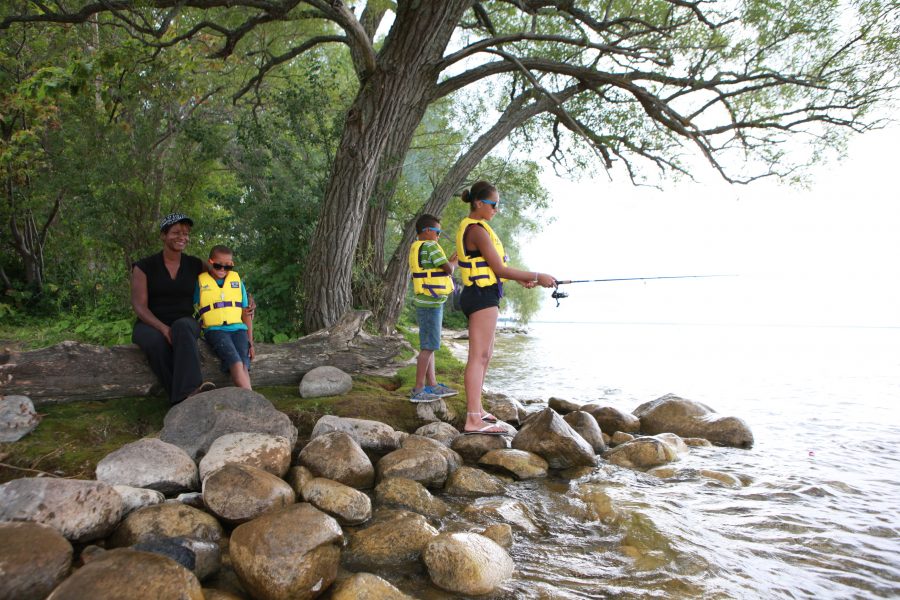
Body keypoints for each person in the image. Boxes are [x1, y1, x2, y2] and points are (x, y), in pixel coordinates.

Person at [456, 181, 557, 434]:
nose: (496, 209)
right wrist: (537, 274)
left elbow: (494, 270)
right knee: (477, 357)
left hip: (483, 294)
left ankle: (477, 411)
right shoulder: (477, 230)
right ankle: (472, 419)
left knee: (485, 356)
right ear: (479, 203)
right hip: (480, 296)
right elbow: (499, 269)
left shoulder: (479, 228)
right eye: (494, 204)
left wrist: (523, 278)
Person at [131, 213, 214, 405]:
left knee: (183, 328)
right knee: (155, 342)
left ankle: (187, 394)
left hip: (185, 320)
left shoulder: (195, 264)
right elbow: (139, 306)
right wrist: (162, 328)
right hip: (149, 322)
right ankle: (183, 400)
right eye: (176, 232)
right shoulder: (144, 267)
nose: (182, 237)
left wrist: (245, 299)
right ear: (163, 235)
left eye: (185, 233)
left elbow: (222, 278)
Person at [408, 214, 458, 402]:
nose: (438, 236)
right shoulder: (429, 246)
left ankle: (432, 385)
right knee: (428, 348)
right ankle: (419, 389)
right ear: (428, 231)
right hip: (430, 302)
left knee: (430, 345)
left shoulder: (417, 246)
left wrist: (451, 263)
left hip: (428, 300)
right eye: (438, 232)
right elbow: (449, 269)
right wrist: (455, 262)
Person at [196, 245, 254, 389]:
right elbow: (187, 306)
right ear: (210, 262)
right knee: (236, 362)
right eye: (218, 266)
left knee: (244, 364)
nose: (222, 270)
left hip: (239, 330)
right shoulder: (200, 283)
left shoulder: (237, 282)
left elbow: (246, 313)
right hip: (215, 330)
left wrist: (250, 342)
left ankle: (250, 398)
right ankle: (252, 398)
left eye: (227, 267)